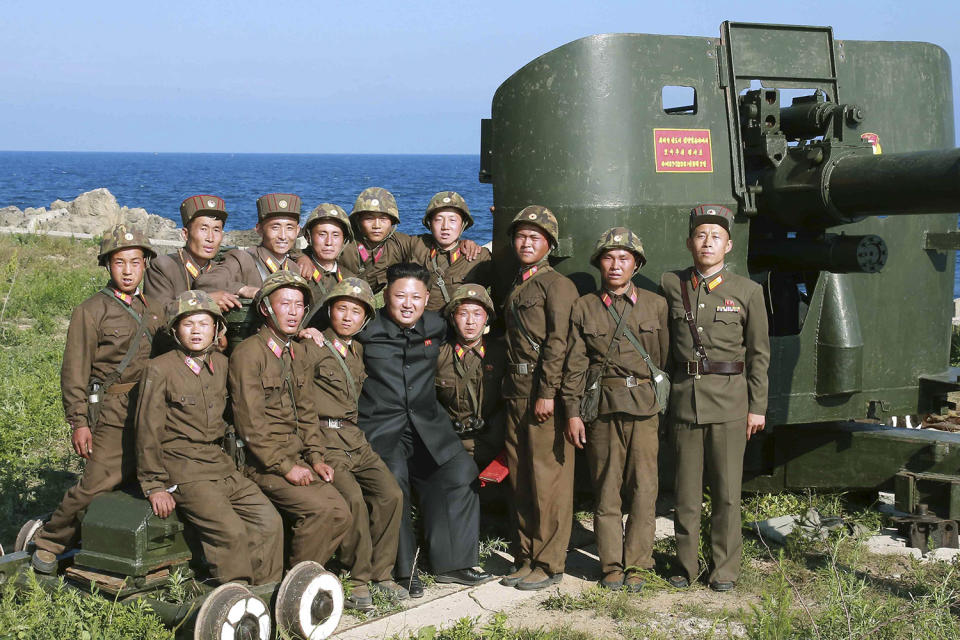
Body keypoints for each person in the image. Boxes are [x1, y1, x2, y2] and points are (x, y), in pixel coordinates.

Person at [31, 224, 162, 573]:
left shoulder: (155, 308)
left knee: (144, 480)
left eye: (135, 261)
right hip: (113, 412)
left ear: (146, 263)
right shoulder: (91, 311)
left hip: (151, 410)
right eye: (120, 262)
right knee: (95, 483)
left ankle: (114, 538)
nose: (128, 270)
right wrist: (79, 422)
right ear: (108, 265)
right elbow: (74, 371)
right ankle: (50, 541)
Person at [356, 263, 490, 597]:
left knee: (459, 470)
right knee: (394, 481)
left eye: (416, 297)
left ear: (427, 298)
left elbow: (477, 325)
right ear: (386, 295)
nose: (407, 303)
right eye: (400, 295)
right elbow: (329, 326)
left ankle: (453, 563)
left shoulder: (436, 324)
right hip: (382, 429)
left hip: (427, 427)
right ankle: (404, 570)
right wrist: (315, 333)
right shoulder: (366, 328)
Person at [135, 290, 283, 585]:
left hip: (220, 464)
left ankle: (264, 595)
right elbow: (147, 430)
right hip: (185, 469)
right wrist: (155, 486)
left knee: (269, 521)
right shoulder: (160, 369)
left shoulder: (223, 365)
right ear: (176, 329)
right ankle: (235, 600)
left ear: (216, 329)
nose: (196, 331)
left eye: (204, 324)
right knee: (230, 532)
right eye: (188, 324)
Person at [660, 205, 769, 592]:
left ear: (729, 244)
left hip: (730, 403)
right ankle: (685, 566)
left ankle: (724, 570)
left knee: (726, 494)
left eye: (715, 236)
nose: (708, 242)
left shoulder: (747, 291)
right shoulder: (672, 284)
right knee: (686, 494)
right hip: (685, 400)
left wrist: (757, 407)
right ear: (690, 242)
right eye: (701, 235)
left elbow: (758, 355)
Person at [562, 227, 668, 592]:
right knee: (606, 489)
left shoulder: (656, 305)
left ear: (636, 264)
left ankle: (638, 564)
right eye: (608, 258)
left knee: (644, 489)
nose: (616, 265)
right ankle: (610, 565)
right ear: (599, 264)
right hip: (603, 409)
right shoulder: (584, 307)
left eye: (624, 258)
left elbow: (664, 357)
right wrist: (573, 412)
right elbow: (575, 365)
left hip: (644, 408)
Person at [229, 271, 352, 567]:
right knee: (322, 511)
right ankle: (292, 585)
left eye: (299, 305)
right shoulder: (249, 354)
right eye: (285, 304)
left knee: (341, 512)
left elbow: (307, 412)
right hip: (262, 464)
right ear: (266, 309)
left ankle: (299, 577)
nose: (294, 312)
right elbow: (250, 425)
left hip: (297, 458)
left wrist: (316, 457)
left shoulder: (296, 352)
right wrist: (286, 468)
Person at [309, 277, 407, 609]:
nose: (348, 317)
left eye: (356, 311)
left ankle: (382, 574)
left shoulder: (358, 350)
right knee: (352, 500)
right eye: (341, 309)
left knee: (391, 494)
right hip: (325, 439)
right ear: (330, 312)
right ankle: (357, 578)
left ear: (364, 319)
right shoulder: (311, 346)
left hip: (354, 438)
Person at [500, 206, 579, 591]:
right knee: (522, 480)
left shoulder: (557, 285)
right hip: (515, 393)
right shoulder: (519, 283)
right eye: (521, 236)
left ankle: (550, 562)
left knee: (549, 481)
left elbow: (558, 343)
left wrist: (548, 393)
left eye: (535, 237)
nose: (526, 242)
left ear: (549, 244)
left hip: (540, 394)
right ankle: (528, 555)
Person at [435, 284, 506, 469]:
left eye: (477, 314)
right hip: (451, 445)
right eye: (463, 313)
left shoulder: (501, 355)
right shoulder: (437, 355)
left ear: (487, 319)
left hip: (493, 444)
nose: (470, 321)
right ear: (452, 318)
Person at [143, 194, 241, 311]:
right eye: (203, 229)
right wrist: (204, 300)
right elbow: (158, 314)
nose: (210, 238)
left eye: (216, 230)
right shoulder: (163, 267)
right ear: (185, 234)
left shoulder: (222, 270)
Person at [196, 193, 302, 299]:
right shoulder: (242, 260)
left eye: (289, 228)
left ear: (297, 231)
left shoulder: (294, 269)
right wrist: (242, 289)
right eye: (275, 227)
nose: (283, 236)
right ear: (259, 229)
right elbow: (205, 282)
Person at [410, 192, 494, 312]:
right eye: (438, 220)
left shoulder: (479, 256)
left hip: (462, 326)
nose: (445, 226)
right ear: (430, 223)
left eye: (452, 220)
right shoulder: (416, 245)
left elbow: (505, 277)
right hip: (425, 325)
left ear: (463, 224)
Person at [299, 203, 357, 312]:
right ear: (308, 237)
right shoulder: (298, 271)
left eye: (335, 235)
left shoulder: (350, 279)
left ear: (344, 240)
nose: (329, 242)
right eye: (322, 234)